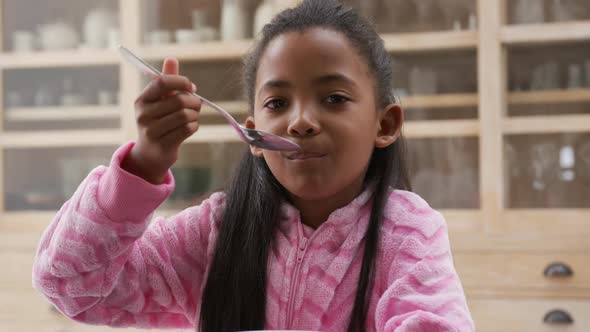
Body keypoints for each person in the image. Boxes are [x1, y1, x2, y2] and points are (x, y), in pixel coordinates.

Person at [32, 0, 474, 331]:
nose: (300, 121)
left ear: (385, 123)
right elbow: (71, 285)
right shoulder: (214, 232)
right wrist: (144, 164)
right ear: (252, 135)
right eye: (277, 102)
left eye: (334, 98)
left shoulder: (409, 235)